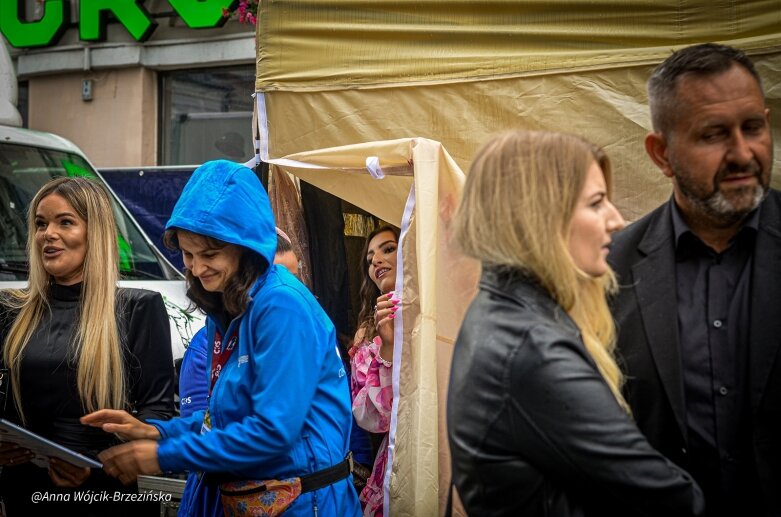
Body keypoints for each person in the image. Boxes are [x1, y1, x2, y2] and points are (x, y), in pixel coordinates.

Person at [81, 160, 360, 517]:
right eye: (187, 254)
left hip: (307, 505)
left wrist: (162, 455)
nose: (196, 268)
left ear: (247, 247)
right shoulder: (228, 305)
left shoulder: (281, 305)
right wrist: (157, 432)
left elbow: (272, 432)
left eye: (209, 254)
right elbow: (224, 419)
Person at [447, 130, 705, 516]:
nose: (617, 220)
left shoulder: (500, 311)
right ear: (539, 217)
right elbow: (675, 502)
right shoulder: (533, 350)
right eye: (597, 203)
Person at [608, 43, 781, 517]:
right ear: (661, 154)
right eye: (714, 135)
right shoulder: (612, 269)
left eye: (754, 128)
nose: (743, 153)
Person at [0, 176, 174, 516]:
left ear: (95, 233)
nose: (47, 234)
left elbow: (158, 415)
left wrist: (93, 464)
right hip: (25, 491)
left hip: (104, 492)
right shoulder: (12, 311)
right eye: (40, 224)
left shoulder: (137, 308)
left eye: (65, 222)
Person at [348, 224, 400, 516]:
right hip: (399, 453)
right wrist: (388, 347)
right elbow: (372, 419)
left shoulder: (435, 312)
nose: (376, 260)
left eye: (388, 249)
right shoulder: (368, 336)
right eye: (370, 259)